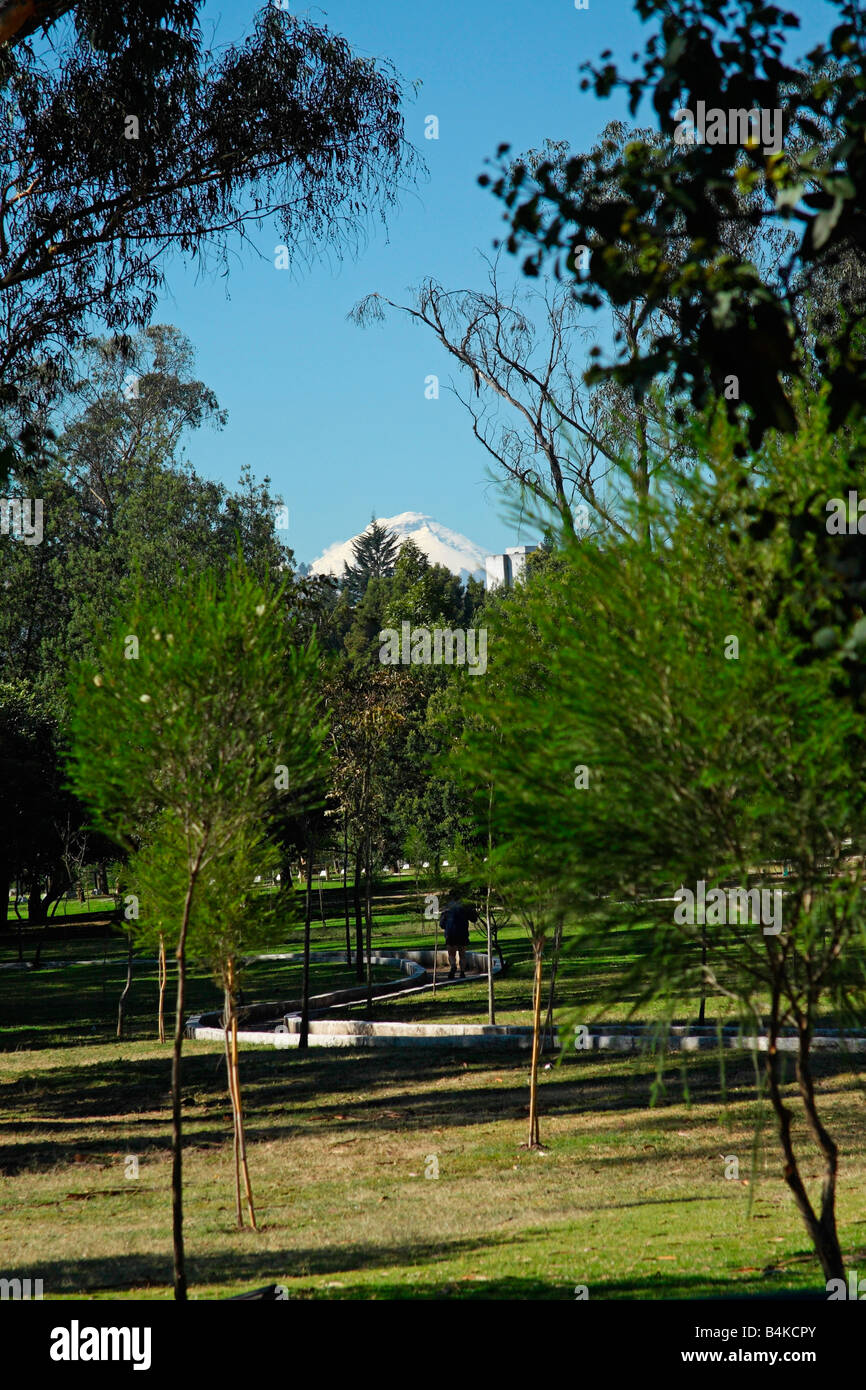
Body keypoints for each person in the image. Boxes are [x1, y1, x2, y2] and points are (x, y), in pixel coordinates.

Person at [439, 890, 479, 979]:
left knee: (451, 954)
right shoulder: (465, 906)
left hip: (450, 933)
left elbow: (441, 924)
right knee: (462, 954)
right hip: (462, 933)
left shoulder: (447, 908)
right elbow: (474, 919)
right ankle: (462, 972)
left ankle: (453, 965)